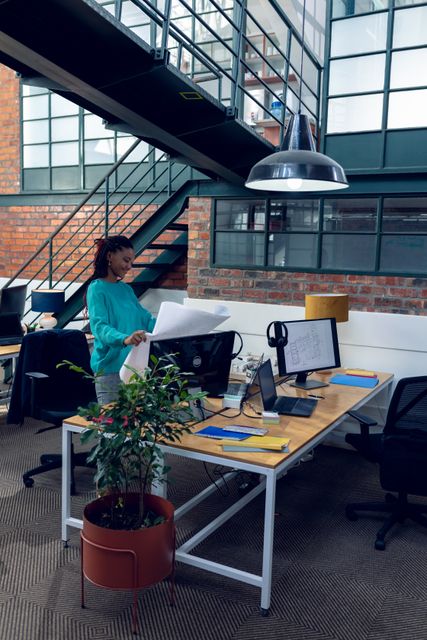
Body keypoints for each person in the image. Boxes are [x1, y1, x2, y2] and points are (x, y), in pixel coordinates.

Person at [86, 235, 156, 404]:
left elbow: (145, 318)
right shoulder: (96, 289)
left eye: (131, 262)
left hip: (135, 367)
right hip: (110, 370)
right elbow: (100, 327)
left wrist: (173, 326)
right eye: (126, 260)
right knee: (111, 428)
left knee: (137, 425)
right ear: (109, 256)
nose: (129, 266)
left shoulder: (126, 290)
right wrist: (124, 339)